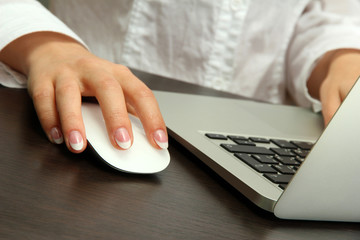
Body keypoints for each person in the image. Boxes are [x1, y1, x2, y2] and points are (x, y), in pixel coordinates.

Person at [1, 0, 360, 154]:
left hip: (258, 137)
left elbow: (322, 14)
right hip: (87, 103)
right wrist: (47, 46)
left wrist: (341, 59)